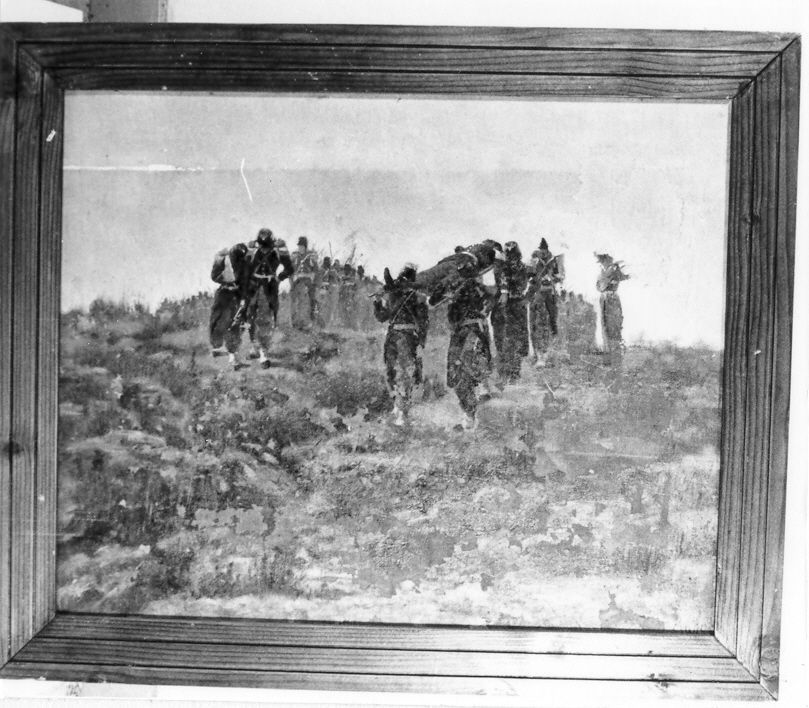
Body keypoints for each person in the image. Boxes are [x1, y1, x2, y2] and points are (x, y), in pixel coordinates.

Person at [435, 261, 498, 430]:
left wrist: (483, 311)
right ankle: (469, 413)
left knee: (472, 361)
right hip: (459, 333)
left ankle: (482, 387)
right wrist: (450, 300)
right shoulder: (454, 291)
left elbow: (492, 297)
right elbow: (448, 314)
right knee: (457, 372)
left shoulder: (478, 289)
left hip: (474, 330)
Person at [373, 264, 429, 426]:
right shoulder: (395, 296)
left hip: (406, 336)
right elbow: (382, 317)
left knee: (404, 371)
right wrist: (378, 301)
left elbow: (423, 321)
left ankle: (403, 409)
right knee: (392, 370)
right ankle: (398, 405)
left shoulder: (415, 297)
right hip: (394, 336)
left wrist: (421, 341)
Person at [242, 228, 294, 368]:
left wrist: (279, 277)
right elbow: (245, 269)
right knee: (250, 318)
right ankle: (255, 347)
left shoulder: (278, 250)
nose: (263, 248)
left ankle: (263, 353)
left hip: (269, 288)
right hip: (253, 288)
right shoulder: (252, 249)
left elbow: (289, 268)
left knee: (265, 319)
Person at [491, 241, 530, 383]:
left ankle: (512, 373)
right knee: (506, 338)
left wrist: (506, 292)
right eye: (509, 254)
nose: (510, 256)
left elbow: (523, 283)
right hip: (509, 306)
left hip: (512, 305)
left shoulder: (512, 267)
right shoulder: (503, 266)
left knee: (512, 338)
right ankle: (508, 372)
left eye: (511, 254)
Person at [208, 242, 249, 369]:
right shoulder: (223, 260)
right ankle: (217, 346)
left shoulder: (244, 263)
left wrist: (243, 298)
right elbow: (214, 276)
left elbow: (245, 283)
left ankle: (233, 356)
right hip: (223, 293)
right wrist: (225, 279)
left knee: (236, 322)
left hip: (236, 294)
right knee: (217, 319)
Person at [527, 237, 563, 366]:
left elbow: (560, 277)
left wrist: (551, 278)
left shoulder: (554, 261)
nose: (542, 253)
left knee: (552, 323)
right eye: (541, 250)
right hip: (537, 294)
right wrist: (535, 279)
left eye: (544, 251)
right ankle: (537, 355)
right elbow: (528, 276)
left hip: (550, 294)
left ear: (547, 250)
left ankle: (548, 354)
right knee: (536, 323)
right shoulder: (534, 260)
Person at [595, 252, 630, 362]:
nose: (602, 264)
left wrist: (614, 273)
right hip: (605, 298)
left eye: (602, 261)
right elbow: (599, 287)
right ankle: (609, 354)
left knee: (614, 324)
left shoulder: (613, 270)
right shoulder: (603, 272)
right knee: (605, 325)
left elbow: (624, 277)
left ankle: (615, 354)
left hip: (612, 298)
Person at [290, 236, 320, 330]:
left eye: (302, 246)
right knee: (293, 299)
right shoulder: (295, 256)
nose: (300, 248)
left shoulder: (311, 256)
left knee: (312, 299)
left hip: (308, 280)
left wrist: (313, 279)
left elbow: (316, 270)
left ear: (305, 247)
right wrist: (292, 279)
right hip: (297, 280)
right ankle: (295, 322)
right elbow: (291, 269)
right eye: (299, 246)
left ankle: (311, 320)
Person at [338, 262, 358, 329]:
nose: (346, 271)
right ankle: (346, 325)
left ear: (349, 270)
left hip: (349, 298)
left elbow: (355, 288)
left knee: (349, 312)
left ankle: (350, 326)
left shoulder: (352, 278)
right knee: (342, 311)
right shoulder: (342, 277)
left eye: (347, 270)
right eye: (345, 269)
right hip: (342, 297)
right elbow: (340, 287)